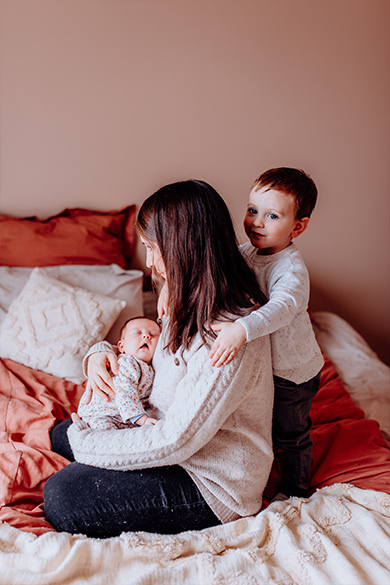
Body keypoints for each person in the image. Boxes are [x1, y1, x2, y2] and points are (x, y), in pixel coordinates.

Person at [43, 179, 275, 539]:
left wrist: (85, 442)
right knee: (59, 432)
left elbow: (176, 440)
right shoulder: (184, 294)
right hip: (163, 430)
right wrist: (99, 354)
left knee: (63, 495)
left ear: (184, 247)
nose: (149, 262)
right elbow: (146, 345)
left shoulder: (230, 335)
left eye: (153, 249)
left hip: (210, 478)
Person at [209, 167, 324, 500]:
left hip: (292, 372)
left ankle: (295, 488)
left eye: (272, 215)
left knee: (291, 433)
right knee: (263, 426)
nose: (257, 222)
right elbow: (219, 268)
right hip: (263, 370)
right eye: (252, 210)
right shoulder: (246, 253)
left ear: (298, 227)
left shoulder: (291, 269)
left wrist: (241, 329)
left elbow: (282, 307)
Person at [77, 317, 161, 429]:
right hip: (100, 413)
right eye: (137, 333)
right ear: (121, 347)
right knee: (106, 437)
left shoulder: (149, 367)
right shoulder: (127, 363)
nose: (146, 336)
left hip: (121, 415)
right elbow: (124, 390)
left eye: (153, 334)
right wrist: (141, 418)